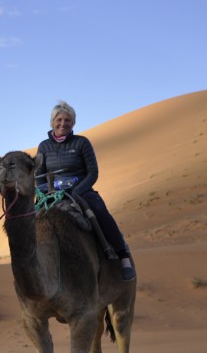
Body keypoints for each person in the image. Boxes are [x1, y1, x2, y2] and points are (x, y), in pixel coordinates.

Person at [36, 100, 136, 280]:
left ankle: (122, 256)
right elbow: (39, 174)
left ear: (73, 123)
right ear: (52, 122)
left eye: (67, 120)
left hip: (79, 190)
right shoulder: (44, 146)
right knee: (31, 218)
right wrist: (44, 191)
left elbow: (93, 172)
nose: (63, 124)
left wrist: (77, 191)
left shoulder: (82, 143)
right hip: (52, 193)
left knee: (99, 211)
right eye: (59, 120)